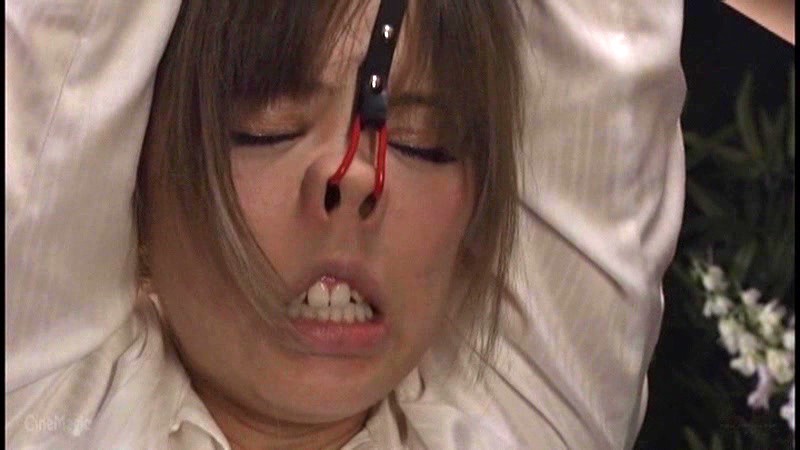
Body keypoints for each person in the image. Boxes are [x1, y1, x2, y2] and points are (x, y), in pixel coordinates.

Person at [6, 0, 686, 449]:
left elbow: (610, 59)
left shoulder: (519, 431)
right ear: (131, 173)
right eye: (267, 126)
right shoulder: (38, 404)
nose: (354, 176)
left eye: (421, 141)